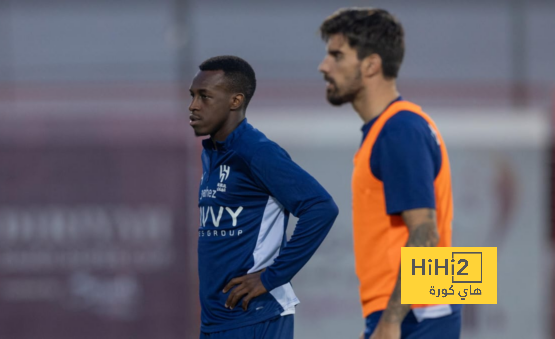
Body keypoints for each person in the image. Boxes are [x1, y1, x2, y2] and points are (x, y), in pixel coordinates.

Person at [317, 8, 461, 339]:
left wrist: (392, 320)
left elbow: (425, 234)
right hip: (420, 308)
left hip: (417, 314)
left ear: (371, 64)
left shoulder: (399, 130)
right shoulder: (394, 127)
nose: (324, 66)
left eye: (336, 55)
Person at [189, 55, 339, 339]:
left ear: (235, 101)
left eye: (205, 96)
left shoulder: (256, 151)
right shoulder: (213, 152)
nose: (193, 105)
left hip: (256, 316)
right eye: (193, 95)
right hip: (218, 319)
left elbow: (321, 207)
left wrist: (273, 277)